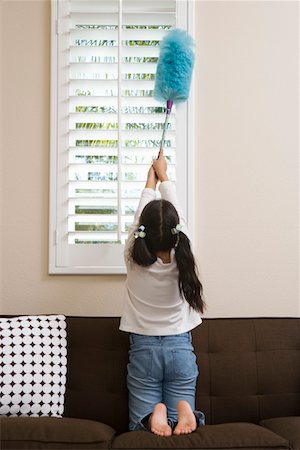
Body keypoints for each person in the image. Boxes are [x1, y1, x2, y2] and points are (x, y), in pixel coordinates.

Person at [119, 149, 206, 436]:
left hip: (144, 349)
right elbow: (175, 212)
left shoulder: (133, 257)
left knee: (140, 428)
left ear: (142, 232)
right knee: (181, 426)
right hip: (180, 347)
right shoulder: (185, 254)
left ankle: (150, 417)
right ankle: (185, 413)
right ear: (177, 232)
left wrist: (150, 181)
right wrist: (165, 175)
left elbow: (136, 224)